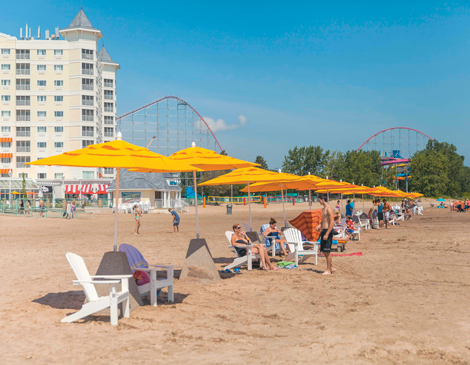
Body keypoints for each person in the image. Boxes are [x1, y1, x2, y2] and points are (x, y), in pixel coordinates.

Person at [315, 194, 336, 275]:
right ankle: (332, 267)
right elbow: (324, 221)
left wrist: (327, 233)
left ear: (323, 199)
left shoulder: (329, 209)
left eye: (319, 200)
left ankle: (328, 270)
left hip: (328, 231)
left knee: (327, 251)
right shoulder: (323, 209)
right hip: (323, 230)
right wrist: (319, 226)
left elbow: (332, 222)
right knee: (323, 251)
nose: (319, 201)